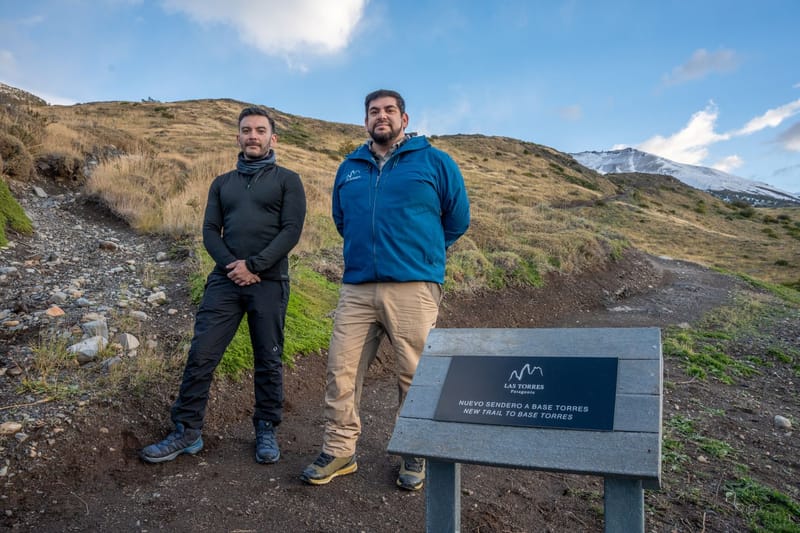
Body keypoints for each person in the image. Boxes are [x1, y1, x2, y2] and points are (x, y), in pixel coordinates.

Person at [300, 89, 470, 490]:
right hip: (358, 287)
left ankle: (416, 450)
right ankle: (340, 449)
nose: (382, 117)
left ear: (404, 119)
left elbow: (457, 219)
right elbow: (343, 220)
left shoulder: (435, 162)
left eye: (389, 110)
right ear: (366, 121)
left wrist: (421, 253)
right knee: (340, 370)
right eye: (374, 111)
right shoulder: (350, 167)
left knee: (414, 373)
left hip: (413, 286)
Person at [140, 106, 306, 465]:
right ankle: (186, 431)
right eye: (247, 130)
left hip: (270, 281)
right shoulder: (222, 183)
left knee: (268, 358)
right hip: (225, 280)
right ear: (238, 137)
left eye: (260, 131)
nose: (253, 136)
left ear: (272, 138)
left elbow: (291, 230)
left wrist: (256, 266)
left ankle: (266, 428)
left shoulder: (288, 180)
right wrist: (233, 267)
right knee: (202, 353)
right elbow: (209, 232)